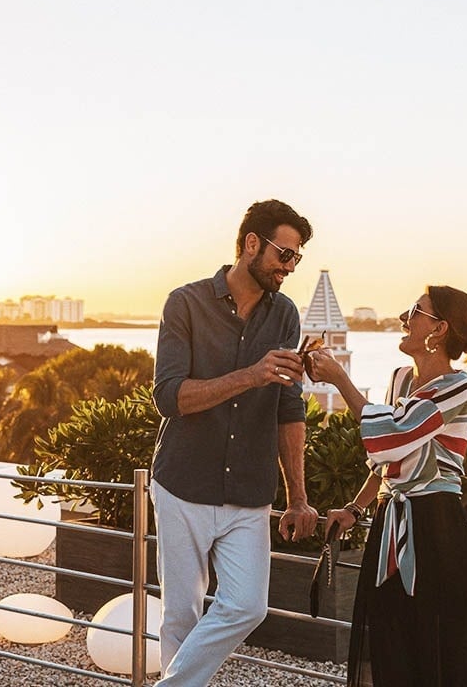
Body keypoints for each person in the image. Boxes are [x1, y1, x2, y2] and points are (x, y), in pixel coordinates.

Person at [150, 199, 320, 686]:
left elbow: (289, 408)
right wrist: (249, 375)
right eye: (284, 255)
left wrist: (299, 497)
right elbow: (169, 396)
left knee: (247, 606)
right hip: (183, 482)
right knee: (180, 617)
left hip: (249, 489)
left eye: (296, 259)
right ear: (251, 245)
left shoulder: (285, 314)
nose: (289, 267)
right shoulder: (185, 302)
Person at [306, 286, 467, 687]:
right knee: (390, 646)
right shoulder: (400, 379)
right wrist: (355, 509)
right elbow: (385, 460)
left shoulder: (458, 389)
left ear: (438, 329)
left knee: (432, 653)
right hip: (392, 523)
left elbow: (392, 434)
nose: (405, 318)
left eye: (415, 311)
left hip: (437, 532)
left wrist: (339, 378)